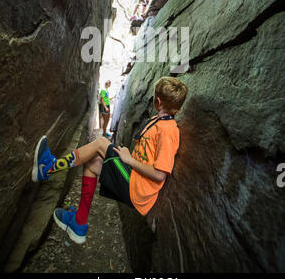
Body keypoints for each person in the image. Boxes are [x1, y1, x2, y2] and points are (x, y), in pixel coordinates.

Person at [31, 76, 188, 244]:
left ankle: (47, 168)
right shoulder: (158, 121)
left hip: (138, 188)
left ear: (157, 101)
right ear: (178, 109)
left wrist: (129, 160)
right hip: (134, 178)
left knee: (100, 143)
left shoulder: (169, 132)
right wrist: (130, 156)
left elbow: (159, 174)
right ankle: (79, 224)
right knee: (92, 164)